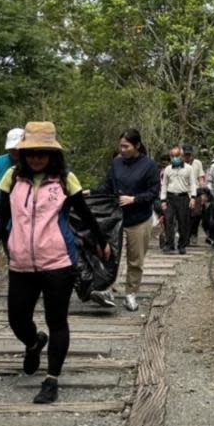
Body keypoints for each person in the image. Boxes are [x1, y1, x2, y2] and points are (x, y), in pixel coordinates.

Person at [0, 121, 111, 404]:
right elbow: (3, 217)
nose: (37, 157)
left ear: (53, 154)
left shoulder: (66, 180)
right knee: (17, 318)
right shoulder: (11, 178)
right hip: (20, 262)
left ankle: (52, 379)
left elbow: (84, 214)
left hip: (57, 263)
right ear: (23, 154)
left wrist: (101, 242)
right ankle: (33, 342)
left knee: (57, 321)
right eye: (31, 152)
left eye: (43, 152)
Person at [93, 128, 159, 311]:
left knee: (135, 259)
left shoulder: (149, 166)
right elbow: (107, 186)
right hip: (117, 218)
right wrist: (90, 192)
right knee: (110, 255)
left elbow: (154, 192)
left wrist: (135, 199)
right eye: (120, 146)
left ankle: (131, 293)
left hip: (139, 219)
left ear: (136, 145)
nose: (122, 149)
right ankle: (107, 289)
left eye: (126, 146)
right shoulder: (116, 164)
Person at [160, 144, 196, 255]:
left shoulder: (189, 169)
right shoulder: (167, 169)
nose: (175, 158)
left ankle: (182, 245)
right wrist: (163, 200)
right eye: (172, 156)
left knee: (183, 222)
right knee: (168, 220)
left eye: (177, 155)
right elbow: (164, 185)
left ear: (182, 156)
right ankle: (169, 244)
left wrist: (193, 198)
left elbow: (193, 184)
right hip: (170, 197)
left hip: (183, 197)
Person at [183, 144, 204, 245]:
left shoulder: (197, 163)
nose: (187, 156)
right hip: (184, 191)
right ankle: (185, 237)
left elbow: (200, 177)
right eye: (185, 154)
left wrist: (203, 190)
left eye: (189, 154)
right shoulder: (179, 163)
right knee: (185, 215)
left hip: (196, 191)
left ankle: (194, 234)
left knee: (197, 214)